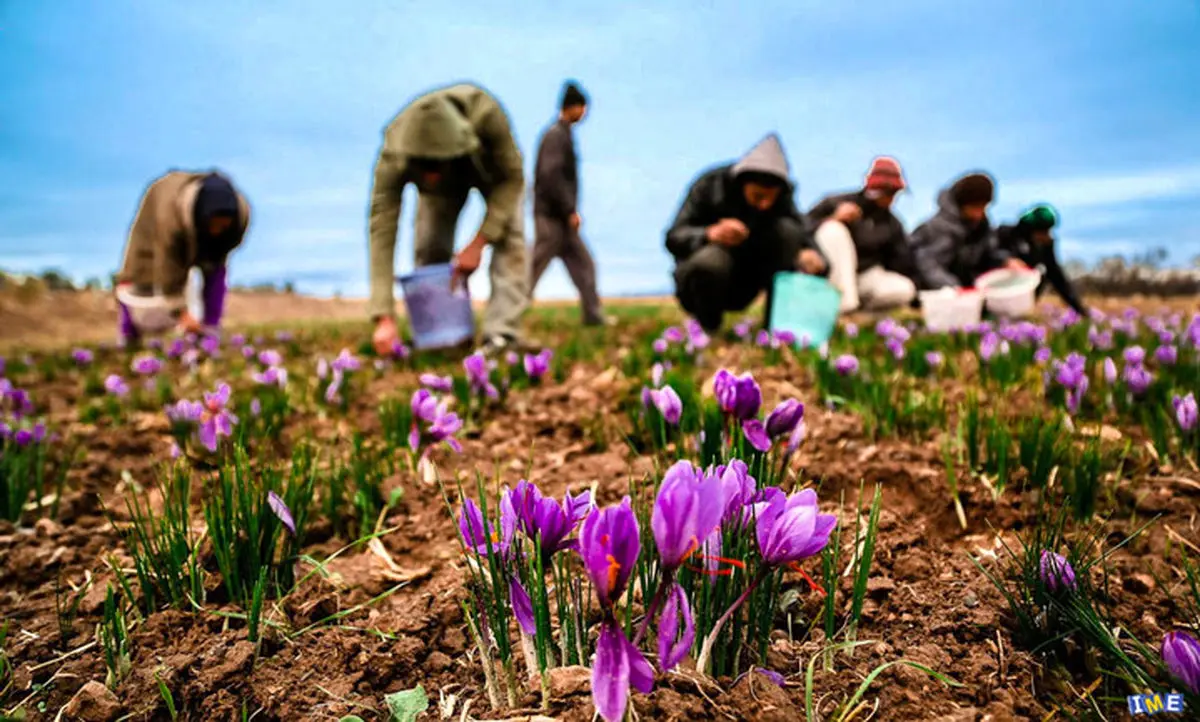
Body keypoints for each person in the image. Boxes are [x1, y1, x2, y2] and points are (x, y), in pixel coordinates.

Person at [368, 83, 528, 356]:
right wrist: (383, 314)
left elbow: (513, 178)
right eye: (424, 167)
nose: (431, 176)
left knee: (509, 236)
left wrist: (479, 242)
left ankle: (501, 334)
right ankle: (441, 336)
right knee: (430, 245)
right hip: (442, 194)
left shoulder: (487, 116)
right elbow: (382, 225)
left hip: (492, 177)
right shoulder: (395, 152)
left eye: (436, 166)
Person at [666, 134, 827, 333]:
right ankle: (707, 329)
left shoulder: (783, 200)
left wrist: (810, 253)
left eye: (771, 198)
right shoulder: (709, 185)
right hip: (704, 280)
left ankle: (776, 331)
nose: (764, 204)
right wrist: (709, 234)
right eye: (758, 196)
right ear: (742, 183)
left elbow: (803, 232)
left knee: (788, 232)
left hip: (749, 280)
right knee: (711, 260)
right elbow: (674, 236)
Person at [115, 171, 250, 345]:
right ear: (203, 217)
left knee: (214, 266)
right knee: (140, 270)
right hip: (159, 209)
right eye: (214, 224)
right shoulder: (169, 217)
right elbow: (168, 266)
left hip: (195, 220)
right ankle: (129, 333)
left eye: (223, 225)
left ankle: (211, 330)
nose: (218, 230)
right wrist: (182, 312)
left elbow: (218, 266)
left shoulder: (239, 216)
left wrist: (209, 322)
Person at [529, 81, 606, 326]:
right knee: (533, 266)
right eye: (583, 108)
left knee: (584, 265)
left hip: (561, 219)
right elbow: (550, 176)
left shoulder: (564, 135)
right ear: (572, 107)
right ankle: (507, 317)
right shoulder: (555, 136)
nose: (585, 114)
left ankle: (593, 317)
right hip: (552, 218)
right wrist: (568, 210)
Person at [807, 157, 918, 313]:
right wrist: (834, 218)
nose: (891, 198)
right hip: (828, 277)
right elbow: (803, 230)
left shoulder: (892, 224)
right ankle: (844, 309)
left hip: (864, 277)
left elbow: (902, 263)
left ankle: (860, 313)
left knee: (904, 288)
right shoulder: (835, 202)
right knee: (832, 230)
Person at [910, 171, 1026, 289]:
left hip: (969, 291)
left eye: (983, 207)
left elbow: (989, 254)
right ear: (962, 204)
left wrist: (1005, 261)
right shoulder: (937, 228)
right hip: (939, 292)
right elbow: (928, 266)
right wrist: (954, 288)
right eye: (974, 207)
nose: (978, 214)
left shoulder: (981, 227)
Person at [997, 204, 1086, 315]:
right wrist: (1006, 260)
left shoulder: (1045, 245)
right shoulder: (1006, 233)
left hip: (1023, 297)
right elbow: (989, 255)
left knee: (1041, 272)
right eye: (1042, 231)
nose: (1046, 235)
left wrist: (1080, 310)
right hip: (1000, 290)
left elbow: (1057, 276)